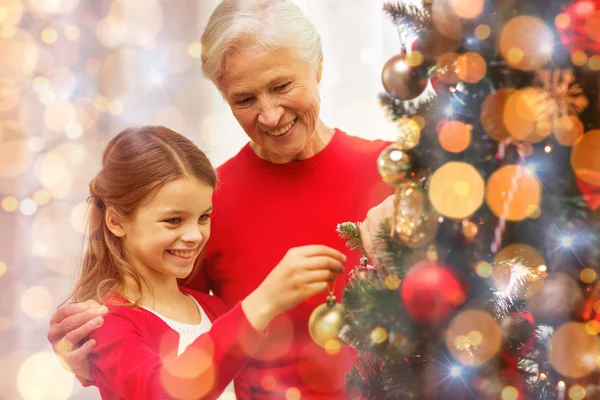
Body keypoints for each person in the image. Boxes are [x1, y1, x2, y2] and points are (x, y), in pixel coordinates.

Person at [48, 1, 393, 398]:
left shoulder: (397, 174)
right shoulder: (206, 205)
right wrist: (88, 353)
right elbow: (171, 329)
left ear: (317, 67)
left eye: (281, 86)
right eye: (244, 100)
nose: (269, 116)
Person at [70, 125, 346, 399]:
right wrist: (262, 303)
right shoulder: (106, 322)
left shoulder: (213, 309)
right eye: (174, 220)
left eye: (203, 217)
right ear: (116, 222)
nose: (194, 236)